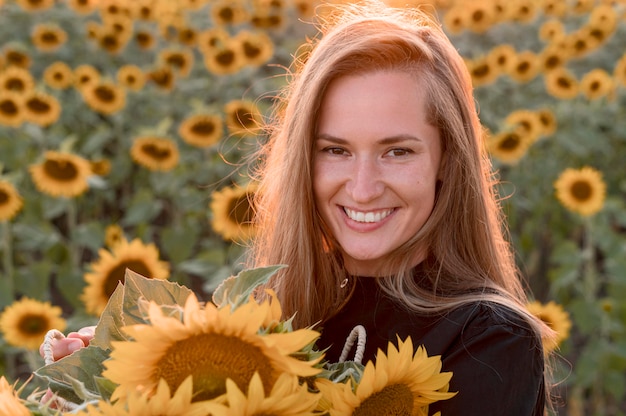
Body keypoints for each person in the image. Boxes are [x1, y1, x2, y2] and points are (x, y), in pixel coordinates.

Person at [43, 1, 554, 414]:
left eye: (397, 151)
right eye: (335, 150)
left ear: (447, 160)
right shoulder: (279, 319)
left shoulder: (488, 343)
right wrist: (120, 382)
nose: (362, 186)